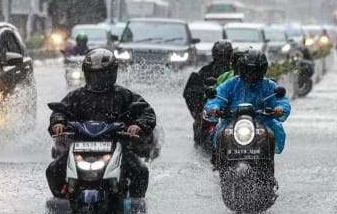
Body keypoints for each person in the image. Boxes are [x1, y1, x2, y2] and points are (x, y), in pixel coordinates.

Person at [46, 48, 156, 199]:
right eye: (94, 74)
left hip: (118, 146)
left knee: (140, 171)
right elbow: (60, 111)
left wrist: (138, 125)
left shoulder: (124, 95)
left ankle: (136, 208)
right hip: (80, 146)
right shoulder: (76, 96)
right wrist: (58, 122)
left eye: (102, 74)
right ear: (86, 73)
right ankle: (62, 200)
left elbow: (146, 112)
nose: (98, 79)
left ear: (112, 73)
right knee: (53, 170)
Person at [204, 50, 291, 155]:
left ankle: (267, 160)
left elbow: (281, 101)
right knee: (220, 135)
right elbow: (217, 97)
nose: (251, 73)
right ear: (242, 68)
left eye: (255, 70)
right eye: (248, 70)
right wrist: (214, 108)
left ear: (262, 70)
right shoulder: (231, 83)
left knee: (273, 132)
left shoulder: (269, 85)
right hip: (231, 122)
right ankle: (220, 160)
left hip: (262, 123)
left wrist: (280, 109)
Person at [183, 40, 233, 120]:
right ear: (214, 55)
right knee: (199, 125)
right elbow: (192, 92)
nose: (222, 59)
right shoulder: (205, 71)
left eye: (225, 56)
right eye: (220, 56)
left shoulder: (235, 71)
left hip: (232, 109)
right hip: (210, 110)